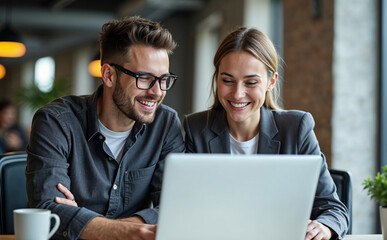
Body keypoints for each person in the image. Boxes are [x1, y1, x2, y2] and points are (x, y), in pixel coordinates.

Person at [26, 16, 185, 240]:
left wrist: (84, 222)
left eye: (164, 79)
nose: (157, 92)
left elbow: (176, 206)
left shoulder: (166, 124)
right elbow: (47, 211)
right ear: (109, 75)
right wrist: (134, 229)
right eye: (145, 78)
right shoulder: (56, 122)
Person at [183, 27, 349, 240]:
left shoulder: (296, 128)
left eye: (251, 82)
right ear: (217, 79)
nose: (238, 93)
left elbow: (334, 209)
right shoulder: (197, 129)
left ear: (271, 82)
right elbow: (187, 208)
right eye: (227, 80)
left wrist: (323, 227)